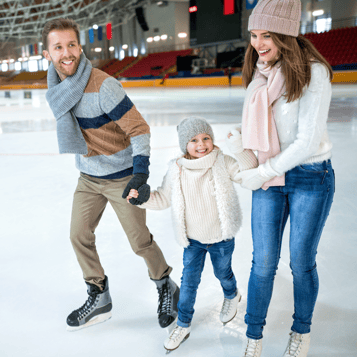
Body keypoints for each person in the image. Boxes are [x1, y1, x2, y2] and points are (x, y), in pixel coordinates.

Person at [42, 18, 179, 331]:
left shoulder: (103, 86)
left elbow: (139, 128)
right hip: (89, 178)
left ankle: (165, 287)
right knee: (79, 235)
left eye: (71, 45)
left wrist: (140, 173)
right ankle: (99, 295)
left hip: (121, 176)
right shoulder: (58, 89)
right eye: (58, 47)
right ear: (48, 54)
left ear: (80, 47)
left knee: (139, 242)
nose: (67, 52)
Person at [228, 1, 335, 356]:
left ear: (286, 34)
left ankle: (301, 332)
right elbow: (258, 128)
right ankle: (253, 335)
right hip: (271, 178)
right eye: (254, 35)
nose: (259, 43)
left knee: (301, 262)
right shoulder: (259, 71)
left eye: (267, 34)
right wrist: (239, 146)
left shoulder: (313, 72)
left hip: (310, 176)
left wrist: (262, 172)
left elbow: (306, 140)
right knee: (263, 264)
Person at [127, 117, 259, 353]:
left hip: (221, 238)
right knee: (189, 283)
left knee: (223, 272)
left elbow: (248, 175)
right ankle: (183, 323)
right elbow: (164, 198)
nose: (201, 144)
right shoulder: (176, 168)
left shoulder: (222, 161)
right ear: (183, 145)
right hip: (193, 242)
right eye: (194, 140)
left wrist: (240, 149)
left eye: (206, 138)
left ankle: (232, 295)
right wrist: (142, 199)